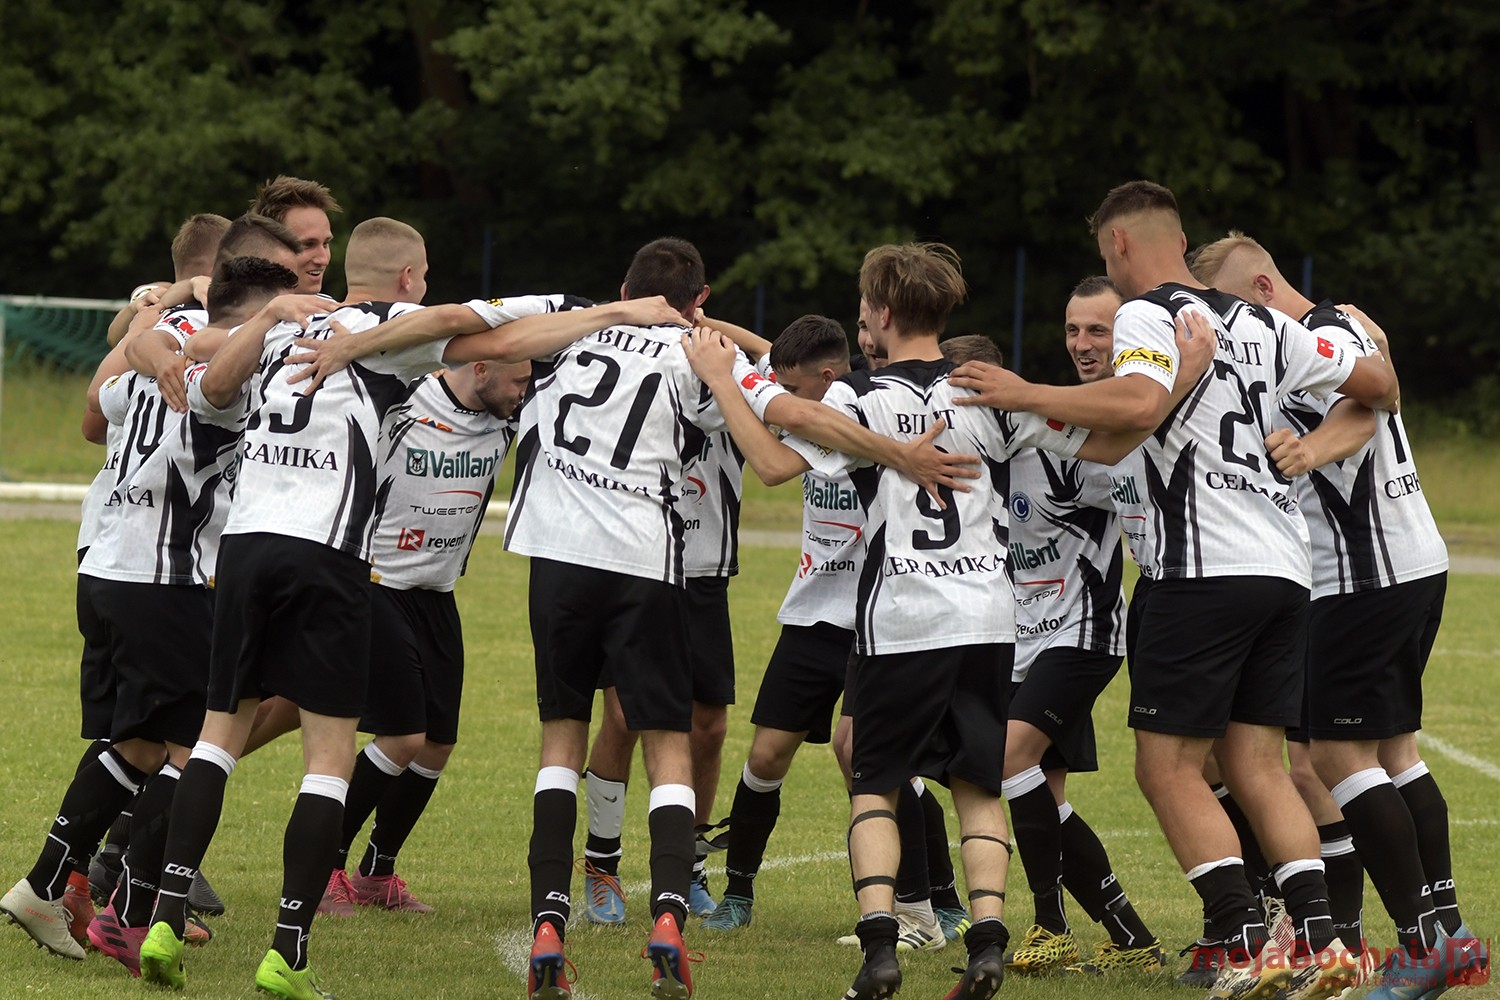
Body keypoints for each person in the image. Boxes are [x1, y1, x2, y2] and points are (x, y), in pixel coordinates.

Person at [135, 218, 677, 1000]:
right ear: (409, 279)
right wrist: (615, 312)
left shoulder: (281, 326)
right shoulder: (388, 328)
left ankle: (162, 913)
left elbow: (212, 388)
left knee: (219, 735)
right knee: (327, 759)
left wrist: (250, 320)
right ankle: (287, 951)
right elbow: (488, 330)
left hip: (245, 546)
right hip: (328, 551)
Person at [683, 242, 1194, 1000]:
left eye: (866, 311)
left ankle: (881, 947)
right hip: (989, 620)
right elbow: (1113, 438)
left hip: (902, 618)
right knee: (979, 786)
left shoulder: (860, 397)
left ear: (885, 313)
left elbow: (772, 461)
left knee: (875, 785)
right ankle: (987, 941)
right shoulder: (986, 392)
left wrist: (725, 381)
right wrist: (1179, 379)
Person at [949, 180, 1399, 1000]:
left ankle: (1244, 938)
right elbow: (1379, 386)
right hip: (1282, 566)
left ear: (1118, 244)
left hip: (1201, 570)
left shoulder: (1149, 314)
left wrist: (1021, 392)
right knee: (1258, 764)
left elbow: (1138, 400)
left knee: (1166, 770)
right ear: (1181, 237)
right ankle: (1325, 939)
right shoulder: (1266, 324)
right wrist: (1311, 440)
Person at [1192, 232, 1486, 997]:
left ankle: (1422, 947)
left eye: (1229, 308)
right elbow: (1383, 391)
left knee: (1333, 758)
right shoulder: (1339, 328)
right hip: (1402, 564)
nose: (1228, 328)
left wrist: (1309, 451)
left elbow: (1366, 411)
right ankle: (1448, 935)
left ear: (1261, 288)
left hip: (1365, 572)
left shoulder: (1316, 336)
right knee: (1391, 752)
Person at [0, 256, 299, 968]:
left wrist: (150, 326)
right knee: (200, 751)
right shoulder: (223, 377)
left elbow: (100, 395)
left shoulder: (152, 362)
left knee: (136, 745)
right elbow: (220, 389)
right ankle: (129, 911)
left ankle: (47, 885)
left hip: (111, 569)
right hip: (168, 580)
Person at [965, 284, 1163, 978]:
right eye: (1073, 329)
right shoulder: (1012, 433)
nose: (1082, 344)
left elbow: (1137, 448)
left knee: (1007, 758)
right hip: (1022, 637)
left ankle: (1050, 926)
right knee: (1043, 793)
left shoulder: (1092, 430)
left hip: (1083, 631)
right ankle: (1131, 937)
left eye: (1098, 331)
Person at [319, 356, 533, 916]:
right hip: (376, 583)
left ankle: (376, 872)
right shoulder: (403, 398)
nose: (525, 391)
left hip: (437, 593)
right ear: (480, 369)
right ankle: (323, 867)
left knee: (437, 743)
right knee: (402, 736)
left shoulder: (508, 416)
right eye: (518, 380)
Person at [105, 213, 230, 347]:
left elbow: (113, 338)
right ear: (218, 269)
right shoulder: (212, 313)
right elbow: (113, 337)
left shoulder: (154, 295)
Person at [250, 175, 341, 295]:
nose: (323, 260)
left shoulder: (335, 306)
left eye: (325, 244)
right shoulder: (232, 305)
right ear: (267, 246)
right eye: (308, 245)